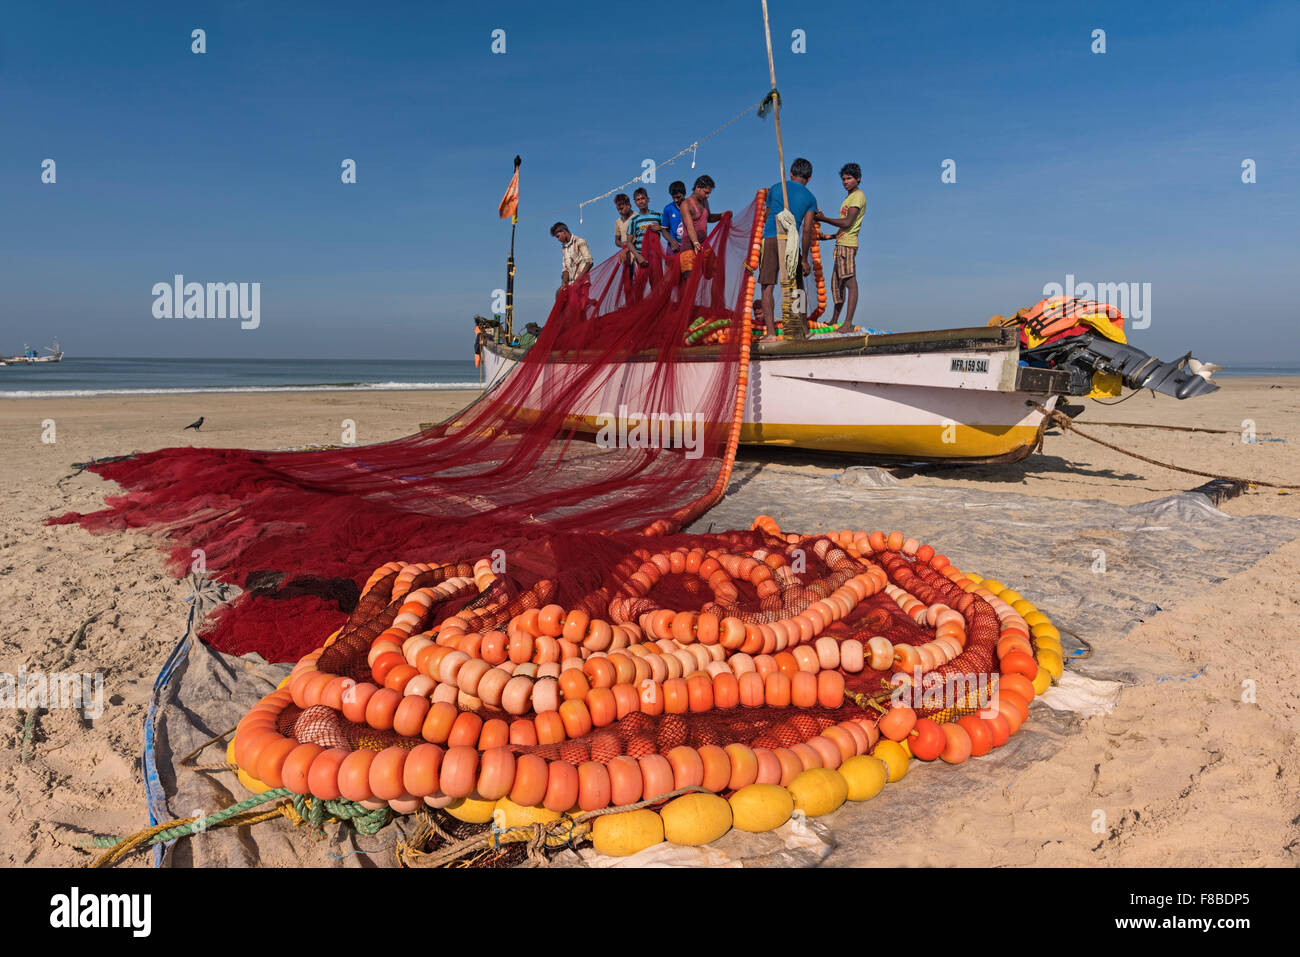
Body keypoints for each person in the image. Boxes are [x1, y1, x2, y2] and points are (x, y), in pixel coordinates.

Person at [759, 158, 818, 340]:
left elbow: (767, 215)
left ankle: (770, 333)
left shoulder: (777, 188)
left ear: (791, 174)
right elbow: (807, 229)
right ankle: (804, 330)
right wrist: (803, 259)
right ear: (809, 178)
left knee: (767, 286)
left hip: (770, 238)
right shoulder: (810, 198)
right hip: (791, 244)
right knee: (798, 288)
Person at [815, 163, 866, 331]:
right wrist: (829, 237)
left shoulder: (858, 196)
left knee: (850, 282)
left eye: (849, 178)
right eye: (843, 179)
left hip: (848, 246)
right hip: (841, 243)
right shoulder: (848, 198)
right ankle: (835, 319)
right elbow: (844, 228)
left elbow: (847, 222)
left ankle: (847, 323)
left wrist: (823, 219)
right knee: (837, 284)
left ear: (858, 178)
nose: (845, 182)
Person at [680, 175, 728, 276]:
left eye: (709, 193)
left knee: (716, 271)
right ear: (698, 188)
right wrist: (696, 243)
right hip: (689, 245)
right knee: (690, 278)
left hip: (703, 243)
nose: (708, 196)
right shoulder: (686, 204)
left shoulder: (705, 202)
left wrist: (721, 215)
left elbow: (708, 218)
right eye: (706, 192)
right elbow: (690, 226)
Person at [626, 187, 665, 266]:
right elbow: (629, 242)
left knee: (657, 278)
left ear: (648, 199)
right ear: (635, 203)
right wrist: (638, 256)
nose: (641, 201)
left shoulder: (658, 215)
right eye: (638, 199)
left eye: (643, 198)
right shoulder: (634, 220)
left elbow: (667, 230)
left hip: (655, 256)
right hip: (641, 258)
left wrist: (661, 228)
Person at [550, 222, 593, 290]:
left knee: (582, 301)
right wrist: (563, 283)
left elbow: (589, 262)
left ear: (564, 232)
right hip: (571, 286)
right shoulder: (564, 248)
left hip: (582, 284)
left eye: (558, 236)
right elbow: (565, 269)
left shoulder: (579, 241)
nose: (558, 239)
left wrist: (578, 280)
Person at [661, 181, 687, 253]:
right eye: (673, 197)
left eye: (678, 197)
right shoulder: (668, 209)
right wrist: (672, 241)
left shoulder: (691, 206)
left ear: (684, 193)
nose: (676, 200)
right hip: (674, 249)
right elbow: (664, 230)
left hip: (689, 248)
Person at [613, 194, 634, 261]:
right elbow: (617, 240)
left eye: (621, 209)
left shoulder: (637, 217)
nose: (619, 211)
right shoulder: (618, 222)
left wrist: (628, 246)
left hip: (639, 255)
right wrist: (622, 244)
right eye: (618, 209)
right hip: (626, 258)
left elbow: (640, 238)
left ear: (628, 205)